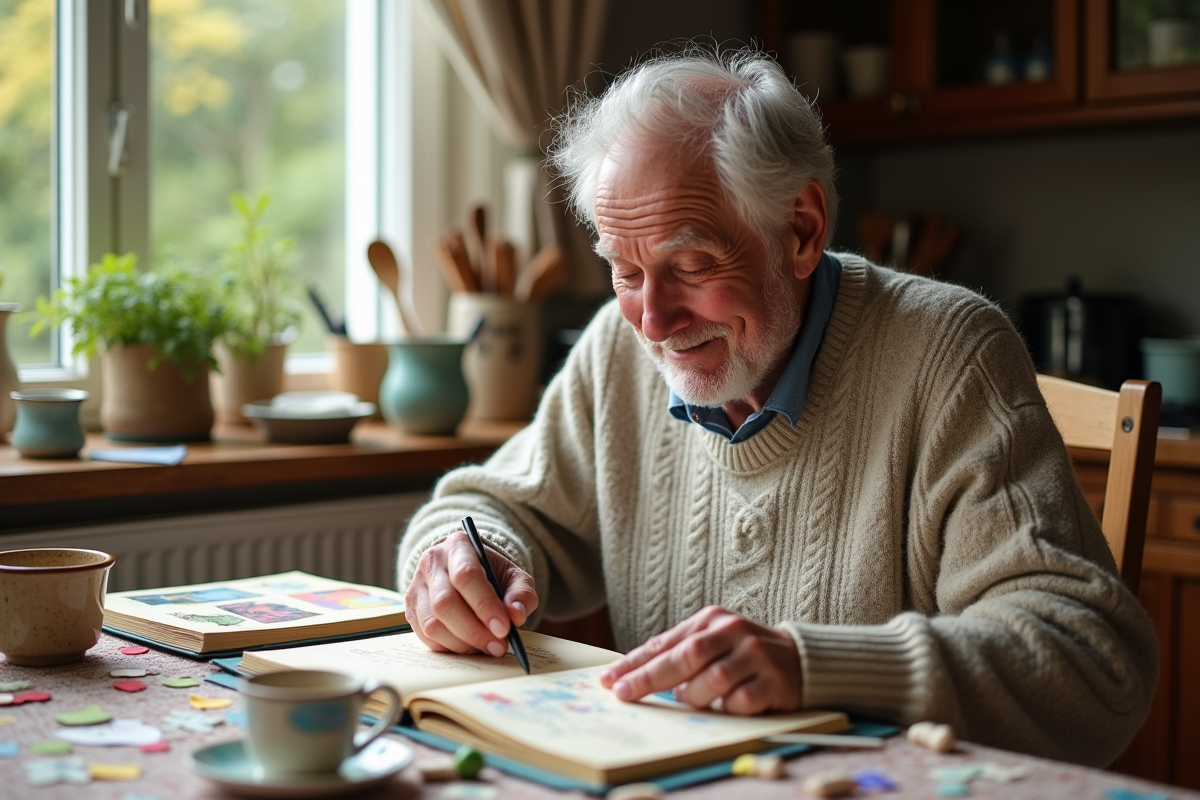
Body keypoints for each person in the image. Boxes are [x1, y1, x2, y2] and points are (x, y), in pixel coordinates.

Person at [397, 45, 1156, 767]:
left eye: (690, 265)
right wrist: (459, 561)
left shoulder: (949, 355)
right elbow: (488, 506)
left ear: (801, 229)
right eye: (623, 271)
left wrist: (813, 666)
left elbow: (1089, 664)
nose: (653, 322)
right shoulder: (618, 347)